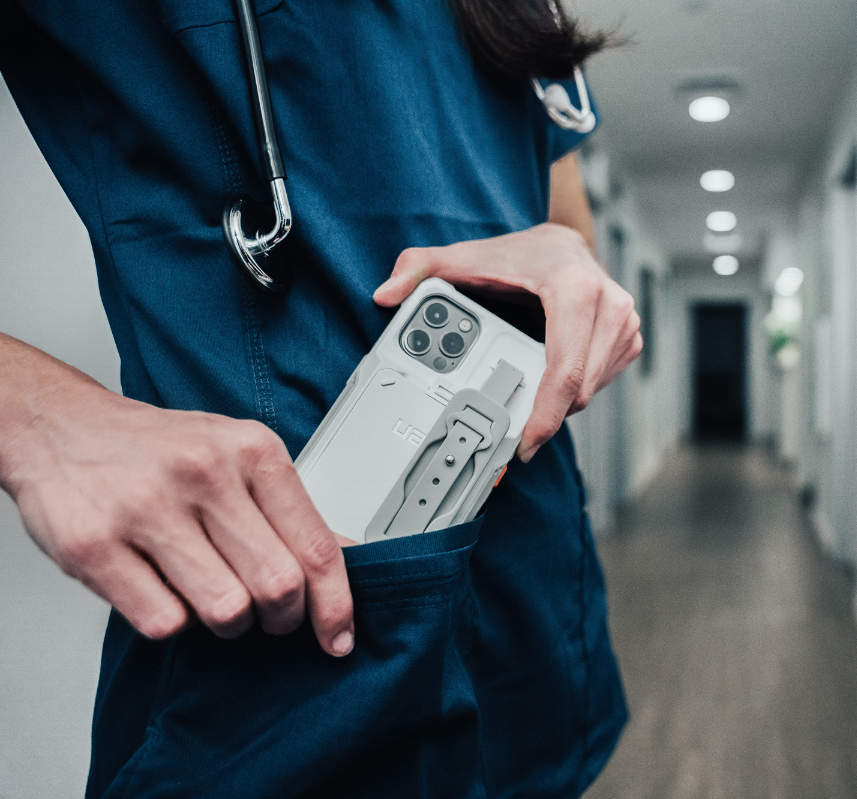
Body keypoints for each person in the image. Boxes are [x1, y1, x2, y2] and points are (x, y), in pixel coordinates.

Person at [0, 0, 638, 795]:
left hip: (528, 596)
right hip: (286, 644)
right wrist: (37, 415)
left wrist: (567, 255)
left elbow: (564, 219)